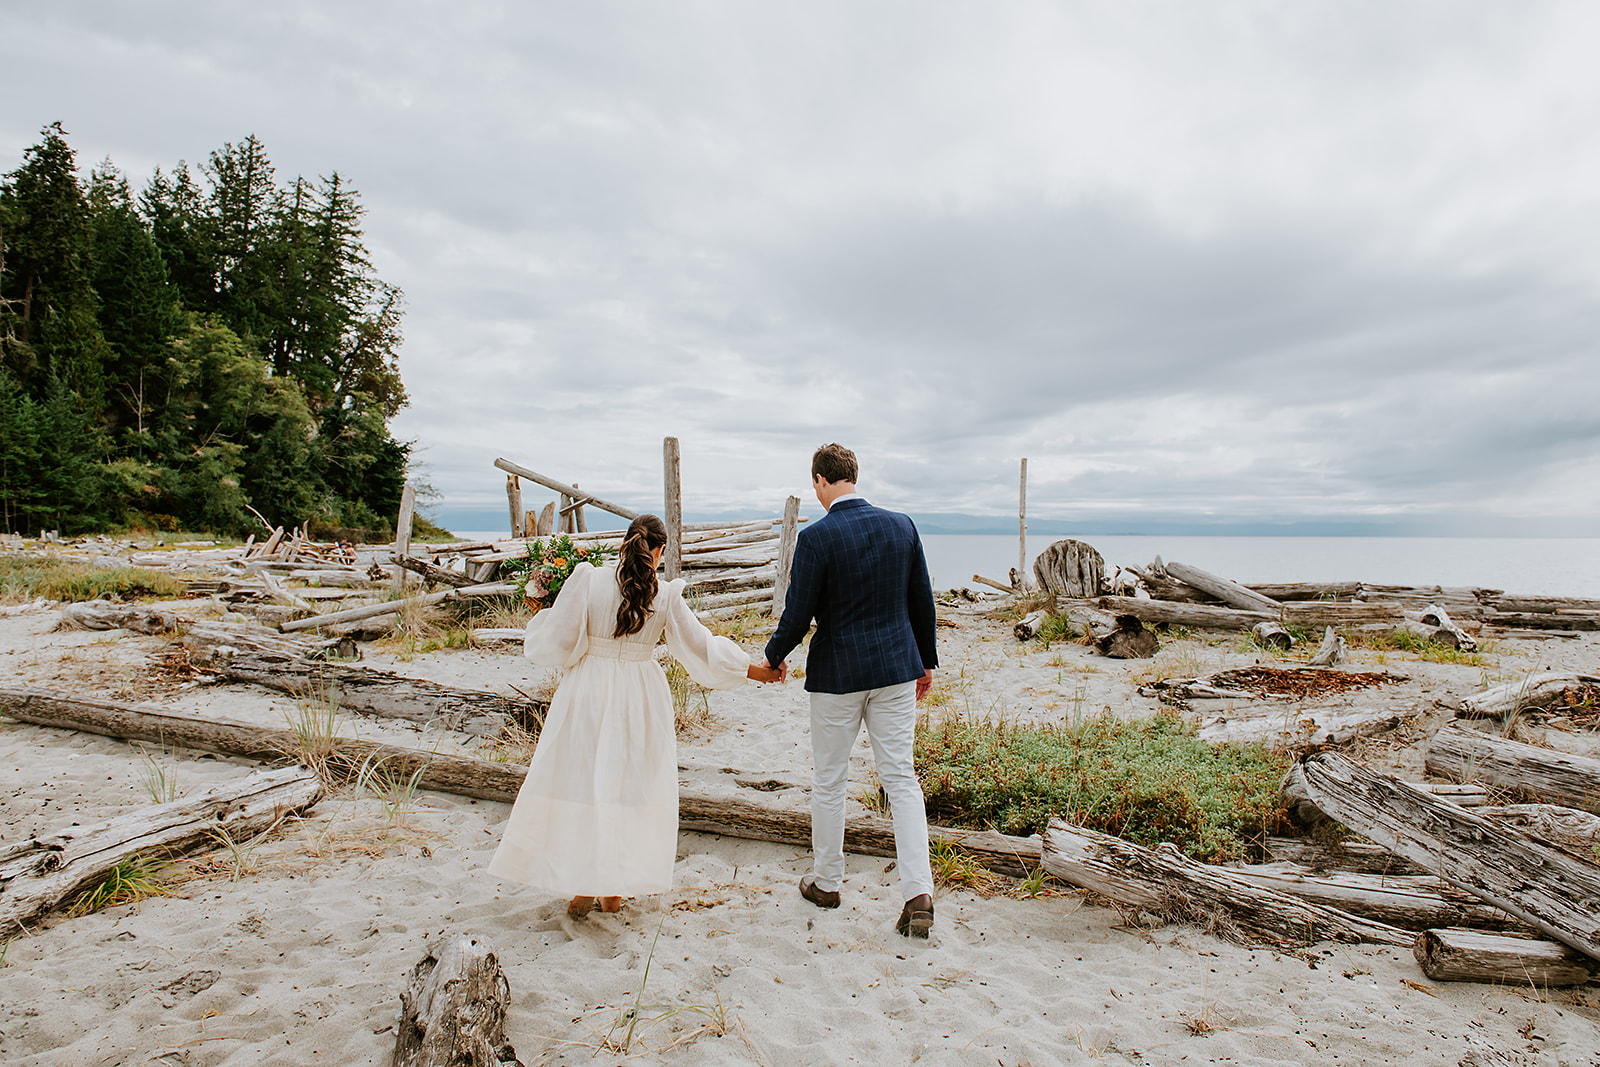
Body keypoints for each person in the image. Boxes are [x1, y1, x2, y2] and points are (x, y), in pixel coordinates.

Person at [489, 514, 782, 917]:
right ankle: (612, 888)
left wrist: (541, 620)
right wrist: (755, 669)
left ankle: (584, 887)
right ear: (659, 551)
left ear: (625, 543)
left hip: (588, 689)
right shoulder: (663, 595)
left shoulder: (588, 579)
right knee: (627, 789)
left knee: (583, 784)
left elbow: (558, 641)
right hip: (641, 696)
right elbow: (701, 647)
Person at [761, 443, 939, 937]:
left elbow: (797, 613)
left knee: (831, 779)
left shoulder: (816, 538)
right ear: (853, 477)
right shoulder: (901, 525)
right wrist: (925, 662)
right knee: (900, 778)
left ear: (820, 480)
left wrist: (774, 657)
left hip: (838, 674)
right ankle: (918, 894)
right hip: (897, 668)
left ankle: (827, 883)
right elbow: (920, 601)